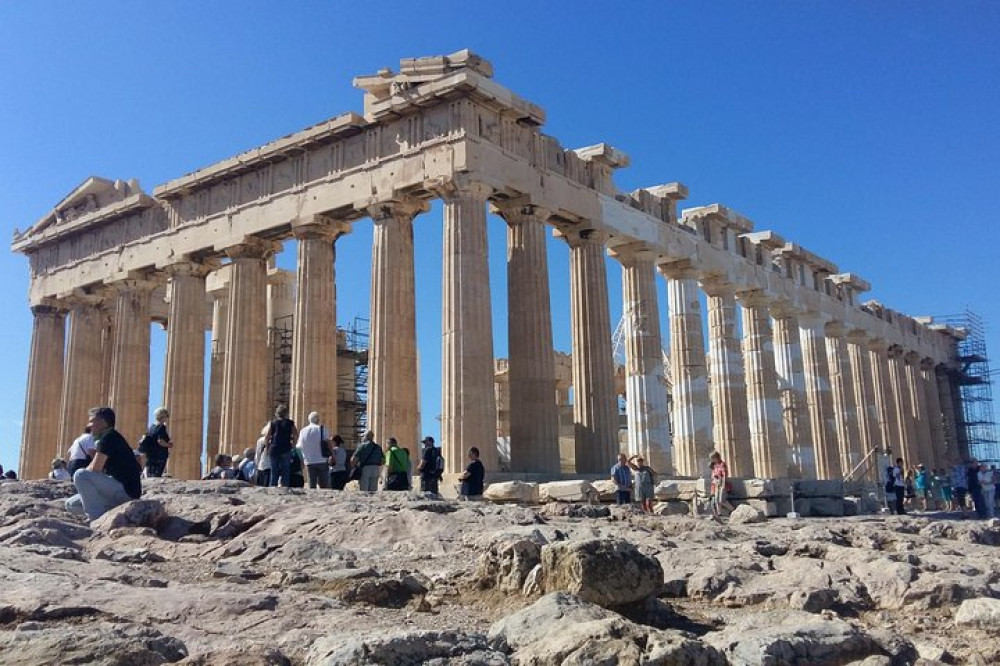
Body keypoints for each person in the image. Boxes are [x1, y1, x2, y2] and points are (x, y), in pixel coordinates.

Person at [65, 406, 142, 521]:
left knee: (80, 475)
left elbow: (95, 468)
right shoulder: (105, 438)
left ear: (102, 422)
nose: (89, 425)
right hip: (114, 489)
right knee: (71, 504)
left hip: (126, 491)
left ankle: (96, 519)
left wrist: (86, 477)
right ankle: (110, 515)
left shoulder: (109, 438)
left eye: (92, 421)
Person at [296, 412, 330, 489]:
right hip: (322, 460)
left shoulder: (303, 431)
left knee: (312, 484)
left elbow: (299, 446)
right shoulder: (322, 429)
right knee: (324, 485)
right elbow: (328, 442)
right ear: (318, 419)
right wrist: (332, 455)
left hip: (309, 461)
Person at [265, 406, 297, 487]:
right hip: (286, 448)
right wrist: (293, 445)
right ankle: (285, 487)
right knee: (285, 470)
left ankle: (273, 487)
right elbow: (296, 434)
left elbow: (267, 436)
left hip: (274, 448)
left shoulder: (273, 423)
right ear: (286, 413)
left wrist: (267, 447)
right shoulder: (290, 423)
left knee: (274, 470)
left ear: (277, 414)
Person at [139, 407, 173, 478]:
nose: (167, 418)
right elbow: (160, 441)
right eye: (166, 416)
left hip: (150, 455)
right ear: (162, 416)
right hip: (159, 456)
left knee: (150, 475)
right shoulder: (161, 427)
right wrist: (169, 445)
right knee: (156, 476)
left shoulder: (152, 427)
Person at [709, 451, 735, 520]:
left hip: (723, 484)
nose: (712, 460)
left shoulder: (722, 464)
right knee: (717, 501)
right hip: (716, 484)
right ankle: (719, 515)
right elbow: (713, 475)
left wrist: (723, 485)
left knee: (721, 500)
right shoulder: (715, 465)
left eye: (712, 458)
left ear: (716, 457)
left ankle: (734, 511)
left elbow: (724, 475)